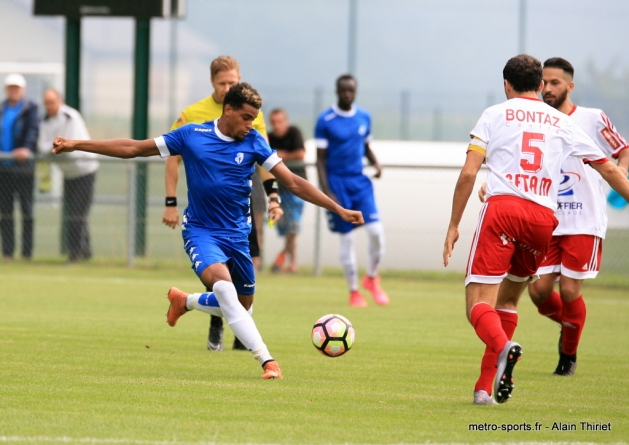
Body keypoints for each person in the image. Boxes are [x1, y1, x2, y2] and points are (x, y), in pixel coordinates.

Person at [52, 82, 363, 379]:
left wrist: (337, 208)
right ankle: (268, 361)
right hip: (202, 232)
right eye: (245, 117)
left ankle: (184, 302)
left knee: (242, 308)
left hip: (238, 236)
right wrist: (76, 144)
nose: (249, 125)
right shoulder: (190, 135)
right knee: (225, 290)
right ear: (228, 110)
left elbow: (293, 182)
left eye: (253, 119)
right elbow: (134, 148)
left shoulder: (254, 141)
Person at [442, 54, 629, 405]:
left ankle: (503, 348)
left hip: (502, 211)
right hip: (543, 220)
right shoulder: (562, 122)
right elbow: (610, 170)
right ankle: (484, 390)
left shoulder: (494, 114)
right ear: (541, 85)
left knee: (478, 305)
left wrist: (453, 224)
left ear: (506, 85)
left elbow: (469, 174)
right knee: (509, 301)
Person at [162, 56, 281, 352]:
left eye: (233, 82)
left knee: (248, 271)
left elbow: (266, 157)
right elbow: (171, 157)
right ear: (213, 83)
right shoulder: (193, 116)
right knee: (219, 278)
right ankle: (224, 328)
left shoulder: (251, 113)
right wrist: (170, 201)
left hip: (243, 196)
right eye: (222, 83)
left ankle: (196, 305)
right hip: (207, 208)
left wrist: (274, 195)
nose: (228, 87)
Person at [527, 58, 629, 376]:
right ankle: (572, 325)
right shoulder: (537, 120)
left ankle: (567, 356)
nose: (548, 88)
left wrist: (619, 173)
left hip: (584, 219)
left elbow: (623, 150)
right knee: (538, 291)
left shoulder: (592, 118)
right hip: (548, 218)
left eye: (555, 83)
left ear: (570, 86)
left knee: (570, 290)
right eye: (543, 82)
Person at [315, 74, 389, 307]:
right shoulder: (325, 120)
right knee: (347, 240)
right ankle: (354, 291)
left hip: (360, 182)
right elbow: (319, 161)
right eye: (343, 91)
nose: (347, 94)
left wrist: (375, 163)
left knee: (377, 233)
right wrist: (328, 192)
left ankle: (372, 278)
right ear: (337, 91)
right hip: (337, 184)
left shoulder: (364, 116)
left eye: (351, 91)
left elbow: (365, 146)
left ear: (355, 92)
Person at [38, 88, 99, 262]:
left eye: (52, 102)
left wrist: (56, 148)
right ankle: (86, 252)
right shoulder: (44, 120)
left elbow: (71, 145)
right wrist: (55, 148)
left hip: (84, 171)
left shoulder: (70, 117)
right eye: (47, 103)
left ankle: (75, 254)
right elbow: (42, 146)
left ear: (60, 101)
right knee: (74, 213)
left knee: (77, 214)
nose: (49, 106)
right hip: (68, 173)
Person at [0, 73, 39, 260]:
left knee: (27, 211)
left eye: (17, 88)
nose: (13, 91)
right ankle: (8, 252)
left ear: (22, 90)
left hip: (23, 168)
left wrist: (26, 148)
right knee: (5, 212)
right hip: (4, 168)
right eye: (11, 87)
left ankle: (27, 253)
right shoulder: (1, 109)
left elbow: (33, 130)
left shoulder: (30, 109)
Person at [268, 109, 306, 273]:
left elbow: (300, 154)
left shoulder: (294, 132)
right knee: (286, 229)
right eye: (274, 122)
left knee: (293, 228)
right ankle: (290, 263)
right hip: (280, 191)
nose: (277, 125)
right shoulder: (269, 137)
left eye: (280, 121)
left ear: (286, 120)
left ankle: (286, 260)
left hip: (296, 190)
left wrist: (282, 156)